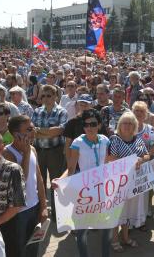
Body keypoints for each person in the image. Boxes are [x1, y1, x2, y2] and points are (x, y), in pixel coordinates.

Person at [53, 109, 113, 257]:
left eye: (93, 124)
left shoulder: (105, 140)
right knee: (82, 230)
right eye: (86, 125)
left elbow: (107, 163)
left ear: (99, 125)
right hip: (85, 190)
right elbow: (71, 168)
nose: (90, 127)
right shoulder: (78, 142)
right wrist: (61, 180)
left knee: (107, 227)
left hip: (103, 189)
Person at [3, 115, 48, 257]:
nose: (34, 132)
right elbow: (21, 180)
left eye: (33, 128)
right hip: (18, 213)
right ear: (16, 134)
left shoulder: (33, 149)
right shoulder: (6, 153)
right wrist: (26, 152)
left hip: (34, 208)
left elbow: (39, 179)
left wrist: (43, 206)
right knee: (19, 250)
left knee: (33, 247)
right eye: (29, 129)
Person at [109, 112, 150, 252]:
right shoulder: (115, 140)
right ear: (120, 125)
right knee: (117, 211)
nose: (127, 126)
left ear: (134, 126)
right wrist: (129, 162)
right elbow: (111, 160)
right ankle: (114, 239)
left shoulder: (138, 139)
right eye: (124, 123)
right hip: (118, 183)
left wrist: (141, 159)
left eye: (130, 123)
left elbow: (147, 154)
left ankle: (125, 238)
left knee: (127, 211)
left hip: (133, 183)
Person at [32, 84, 67, 219]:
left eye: (49, 95)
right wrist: (49, 133)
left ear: (55, 96)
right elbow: (33, 131)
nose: (46, 98)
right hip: (39, 150)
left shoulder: (61, 111)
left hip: (55, 151)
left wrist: (41, 132)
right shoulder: (37, 111)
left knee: (55, 182)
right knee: (39, 182)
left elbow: (60, 130)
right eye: (43, 96)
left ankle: (57, 214)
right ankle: (41, 210)